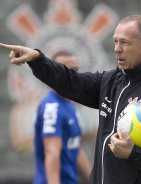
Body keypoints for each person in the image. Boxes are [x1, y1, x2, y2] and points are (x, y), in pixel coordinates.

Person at [0, 14, 141, 184]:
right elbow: (71, 81)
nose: (117, 49)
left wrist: (134, 153)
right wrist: (37, 60)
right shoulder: (111, 81)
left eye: (125, 43)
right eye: (115, 42)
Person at [33, 50, 91, 184]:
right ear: (54, 73)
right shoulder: (52, 108)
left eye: (75, 69)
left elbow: (74, 146)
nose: (71, 75)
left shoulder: (70, 105)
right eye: (65, 69)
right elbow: (52, 153)